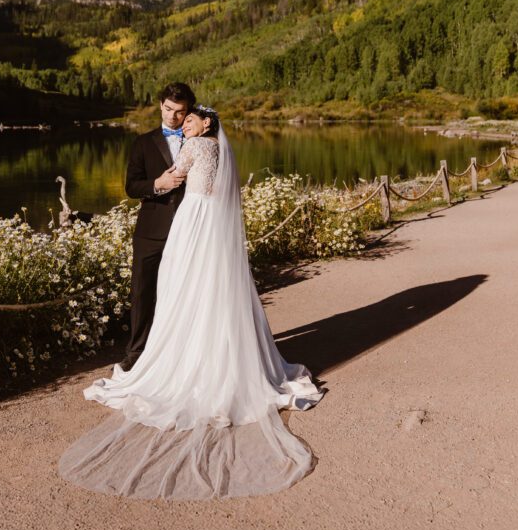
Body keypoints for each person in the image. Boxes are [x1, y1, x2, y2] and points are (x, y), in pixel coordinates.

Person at [59, 104, 324, 499]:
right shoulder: (216, 149)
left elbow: (172, 178)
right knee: (204, 289)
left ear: (206, 124)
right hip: (209, 222)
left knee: (181, 287)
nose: (183, 126)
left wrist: (161, 179)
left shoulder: (196, 147)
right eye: (180, 121)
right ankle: (211, 356)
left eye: (189, 121)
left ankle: (182, 363)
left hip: (192, 222)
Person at [120, 82, 196, 371]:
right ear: (160, 105)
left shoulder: (199, 141)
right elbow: (131, 187)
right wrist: (157, 184)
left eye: (179, 112)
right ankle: (136, 353)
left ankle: (184, 354)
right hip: (151, 231)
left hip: (190, 228)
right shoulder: (142, 142)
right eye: (168, 109)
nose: (172, 117)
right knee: (142, 291)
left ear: (188, 112)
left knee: (187, 290)